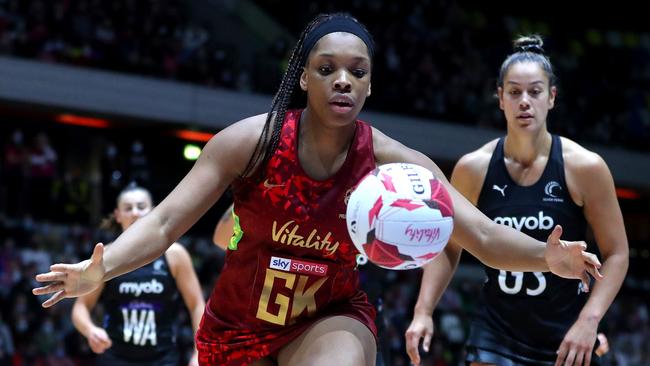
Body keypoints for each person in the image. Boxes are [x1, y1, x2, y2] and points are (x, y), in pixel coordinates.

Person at [33, 14, 602, 366]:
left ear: (370, 83)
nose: (342, 80)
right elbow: (162, 225)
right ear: (303, 77)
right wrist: (97, 273)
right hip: (235, 326)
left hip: (328, 315)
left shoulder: (395, 161)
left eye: (356, 70)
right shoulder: (248, 142)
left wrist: (545, 257)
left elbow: (477, 233)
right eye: (327, 68)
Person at [405, 35, 628, 366]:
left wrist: (589, 320)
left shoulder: (585, 167)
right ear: (500, 98)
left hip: (566, 331)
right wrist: (423, 310)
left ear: (551, 97)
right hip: (496, 331)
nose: (525, 101)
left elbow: (617, 254)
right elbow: (448, 246)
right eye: (514, 92)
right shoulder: (472, 168)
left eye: (535, 92)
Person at [70, 183, 205, 366]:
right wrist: (90, 330)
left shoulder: (175, 254)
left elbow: (197, 304)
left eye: (141, 207)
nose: (135, 212)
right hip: (115, 358)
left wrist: (198, 354)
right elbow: (81, 307)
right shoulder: (105, 257)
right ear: (118, 215)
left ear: (153, 211)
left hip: (163, 359)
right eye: (128, 208)